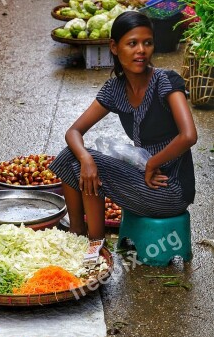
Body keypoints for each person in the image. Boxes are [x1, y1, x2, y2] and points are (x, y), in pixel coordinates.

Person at [49, 11, 198, 240]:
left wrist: (151, 164)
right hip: (144, 182)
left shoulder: (166, 81)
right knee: (73, 156)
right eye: (132, 43)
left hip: (170, 190)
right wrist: (86, 159)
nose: (141, 50)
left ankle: (95, 244)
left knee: (89, 162)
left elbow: (189, 135)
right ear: (114, 47)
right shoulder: (115, 89)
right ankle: (77, 231)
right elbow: (74, 131)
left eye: (147, 43)